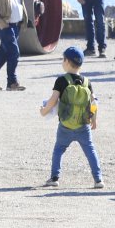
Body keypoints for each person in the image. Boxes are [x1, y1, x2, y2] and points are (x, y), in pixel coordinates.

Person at [38, 46, 102, 189]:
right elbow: (94, 103)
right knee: (90, 150)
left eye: (63, 59)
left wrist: (44, 111)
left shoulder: (62, 80)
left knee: (59, 149)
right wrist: (94, 119)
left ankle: (55, 178)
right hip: (83, 125)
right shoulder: (87, 82)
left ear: (67, 61)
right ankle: (98, 179)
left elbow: (53, 100)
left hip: (65, 125)